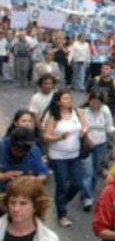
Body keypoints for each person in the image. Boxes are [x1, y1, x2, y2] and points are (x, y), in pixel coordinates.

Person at [42, 89, 93, 225]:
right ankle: (62, 215)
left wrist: (84, 131)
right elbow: (46, 136)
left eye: (69, 98)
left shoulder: (77, 112)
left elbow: (85, 125)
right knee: (62, 184)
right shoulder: (54, 117)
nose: (69, 100)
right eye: (65, 98)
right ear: (58, 102)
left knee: (77, 183)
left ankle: (62, 202)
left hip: (75, 154)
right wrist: (58, 137)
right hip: (58, 156)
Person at [81, 90, 115, 194]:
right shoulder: (83, 111)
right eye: (93, 102)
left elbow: (109, 127)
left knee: (96, 170)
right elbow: (81, 128)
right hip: (86, 144)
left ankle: (90, 190)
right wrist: (87, 139)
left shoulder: (105, 111)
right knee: (87, 171)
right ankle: (87, 197)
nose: (95, 105)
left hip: (101, 143)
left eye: (98, 103)